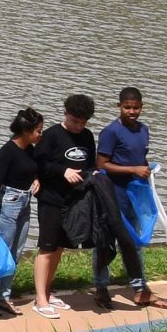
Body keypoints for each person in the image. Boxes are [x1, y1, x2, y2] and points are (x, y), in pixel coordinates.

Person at [31, 96, 103, 318]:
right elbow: (39, 164)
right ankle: (39, 298)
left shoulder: (87, 136)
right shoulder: (52, 136)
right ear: (66, 114)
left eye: (83, 122)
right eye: (75, 121)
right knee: (47, 248)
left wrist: (93, 175)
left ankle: (48, 291)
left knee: (59, 248)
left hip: (74, 201)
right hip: (51, 199)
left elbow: (89, 164)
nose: (78, 126)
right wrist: (62, 171)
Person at [93, 87, 155, 307]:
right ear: (118, 106)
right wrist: (133, 169)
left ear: (142, 107)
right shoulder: (111, 132)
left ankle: (140, 286)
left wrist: (147, 170)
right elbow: (102, 165)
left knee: (134, 242)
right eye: (127, 107)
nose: (132, 111)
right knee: (106, 243)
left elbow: (140, 160)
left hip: (135, 196)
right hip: (112, 195)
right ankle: (101, 287)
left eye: (136, 107)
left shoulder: (144, 130)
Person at [0, 109, 44, 316]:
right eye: (38, 131)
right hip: (8, 201)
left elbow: (33, 169)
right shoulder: (7, 150)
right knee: (0, 249)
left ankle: (3, 296)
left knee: (16, 251)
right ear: (25, 131)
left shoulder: (30, 149)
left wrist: (36, 179)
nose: (40, 134)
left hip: (25, 201)